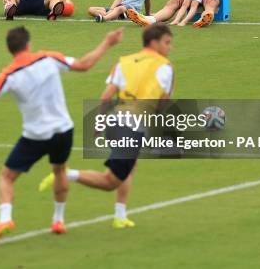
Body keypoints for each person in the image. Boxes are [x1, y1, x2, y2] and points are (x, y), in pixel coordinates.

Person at [0, 26, 125, 242]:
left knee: (6, 176)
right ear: (28, 44)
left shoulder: (8, 74)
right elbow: (84, 64)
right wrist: (107, 42)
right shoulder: (48, 58)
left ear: (9, 49)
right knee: (59, 170)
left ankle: (5, 219)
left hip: (36, 136)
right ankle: (58, 220)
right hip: (63, 130)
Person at [39, 23, 174, 229]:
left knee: (131, 166)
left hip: (115, 122)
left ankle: (120, 215)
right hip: (132, 128)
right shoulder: (165, 67)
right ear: (154, 42)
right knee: (110, 182)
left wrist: (101, 123)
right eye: (167, 42)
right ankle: (66, 174)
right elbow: (163, 103)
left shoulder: (124, 62)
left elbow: (105, 96)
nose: (169, 47)